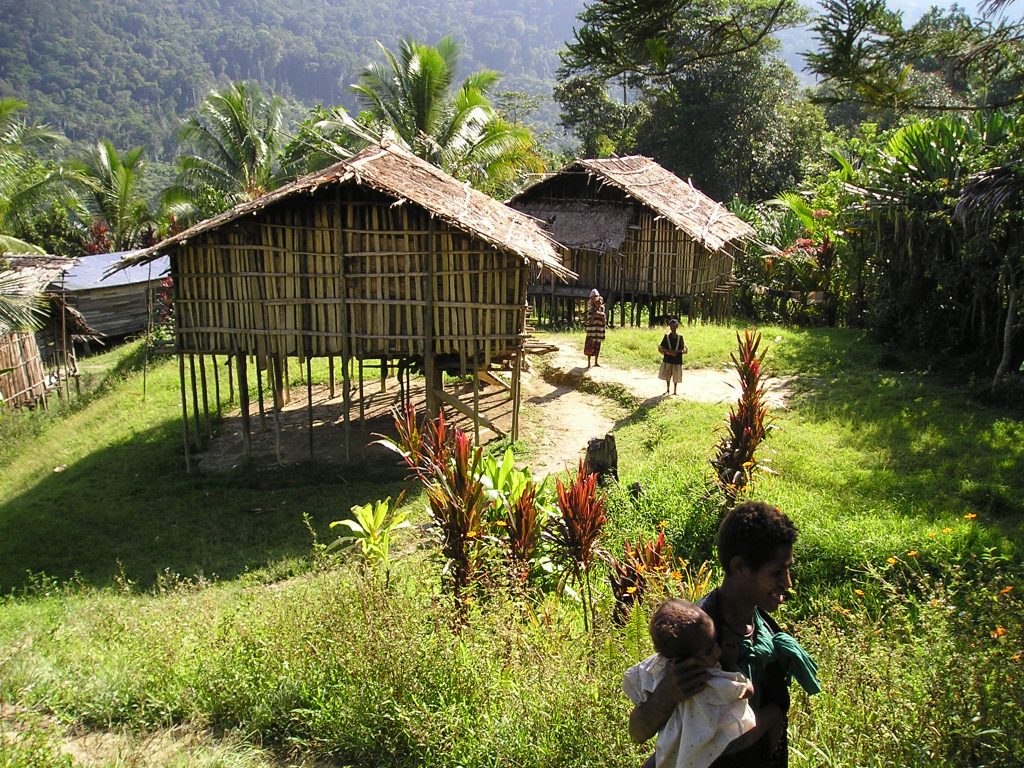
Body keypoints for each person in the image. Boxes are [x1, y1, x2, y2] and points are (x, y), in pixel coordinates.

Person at [629, 502, 821, 768]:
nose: (787, 582)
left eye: (788, 569)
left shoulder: (766, 630)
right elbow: (638, 731)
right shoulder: (698, 636)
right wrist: (667, 693)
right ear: (740, 567)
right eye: (777, 572)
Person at [623, 599, 756, 768]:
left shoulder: (656, 668)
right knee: (772, 715)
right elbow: (747, 690)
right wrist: (730, 664)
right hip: (702, 755)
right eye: (709, 650)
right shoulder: (703, 678)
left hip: (670, 754)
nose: (718, 651)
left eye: (716, 642)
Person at [658, 318, 687, 395]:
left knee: (676, 376)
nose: (672, 328)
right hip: (668, 359)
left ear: (677, 327)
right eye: (671, 327)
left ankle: (674, 391)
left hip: (677, 359)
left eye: (674, 327)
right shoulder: (666, 336)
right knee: (667, 375)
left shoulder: (680, 337)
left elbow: (683, 348)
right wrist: (670, 352)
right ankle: (667, 390)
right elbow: (662, 347)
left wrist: (676, 352)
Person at [585, 289, 607, 368]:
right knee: (589, 348)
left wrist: (602, 315)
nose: (599, 304)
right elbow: (589, 322)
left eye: (600, 303)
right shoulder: (590, 310)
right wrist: (594, 315)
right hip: (592, 331)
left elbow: (604, 322)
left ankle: (596, 362)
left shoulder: (602, 309)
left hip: (599, 331)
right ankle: (589, 364)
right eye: (597, 303)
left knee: (598, 346)